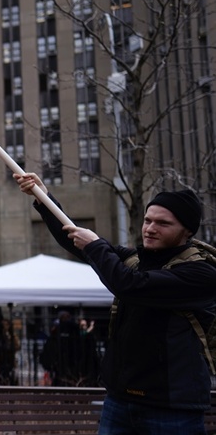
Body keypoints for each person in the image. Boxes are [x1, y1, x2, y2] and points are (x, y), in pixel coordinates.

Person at [15, 172, 216, 434]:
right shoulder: (136, 258)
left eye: (163, 223)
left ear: (186, 231)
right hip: (120, 401)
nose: (150, 228)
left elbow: (129, 285)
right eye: (147, 220)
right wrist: (43, 197)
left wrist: (96, 246)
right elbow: (75, 240)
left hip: (171, 407)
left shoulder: (202, 273)